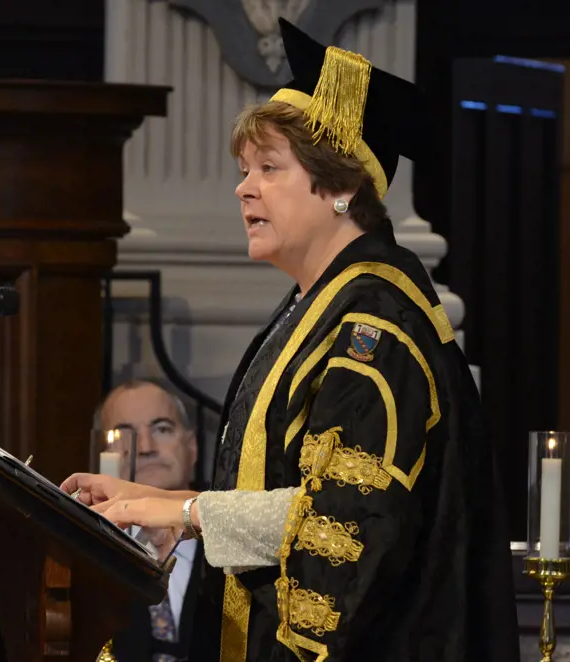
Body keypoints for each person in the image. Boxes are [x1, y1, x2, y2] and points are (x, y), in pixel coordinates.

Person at [63, 18, 519, 662]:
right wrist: (152, 499)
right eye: (245, 170)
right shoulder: (315, 305)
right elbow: (287, 492)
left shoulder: (376, 325)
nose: (244, 187)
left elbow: (342, 524)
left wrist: (181, 513)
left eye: (269, 168)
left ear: (341, 186)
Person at [94, 380, 205, 662]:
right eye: (123, 434)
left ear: (192, 447)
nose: (145, 447)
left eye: (162, 429)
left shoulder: (233, 541)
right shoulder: (88, 553)